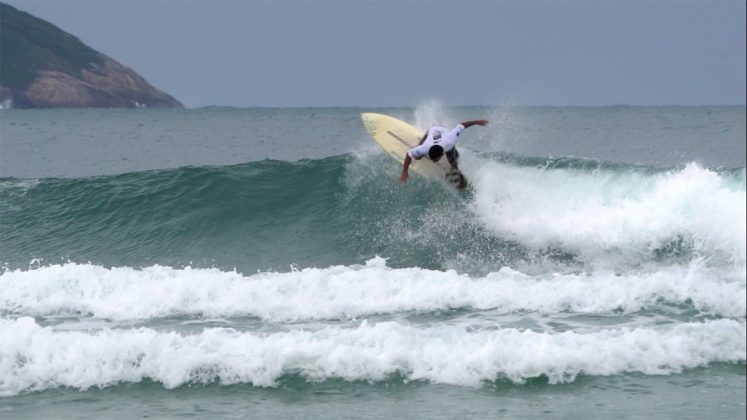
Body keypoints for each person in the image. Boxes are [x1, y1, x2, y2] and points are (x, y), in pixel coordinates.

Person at [400, 119, 489, 188]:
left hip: (444, 132)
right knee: (417, 157)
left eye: (436, 159)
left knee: (454, 162)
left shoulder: (450, 140)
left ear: (442, 154)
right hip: (432, 131)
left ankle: (461, 180)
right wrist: (405, 172)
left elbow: (462, 125)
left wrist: (477, 122)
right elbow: (409, 154)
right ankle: (420, 143)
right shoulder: (425, 148)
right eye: (433, 159)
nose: (434, 162)